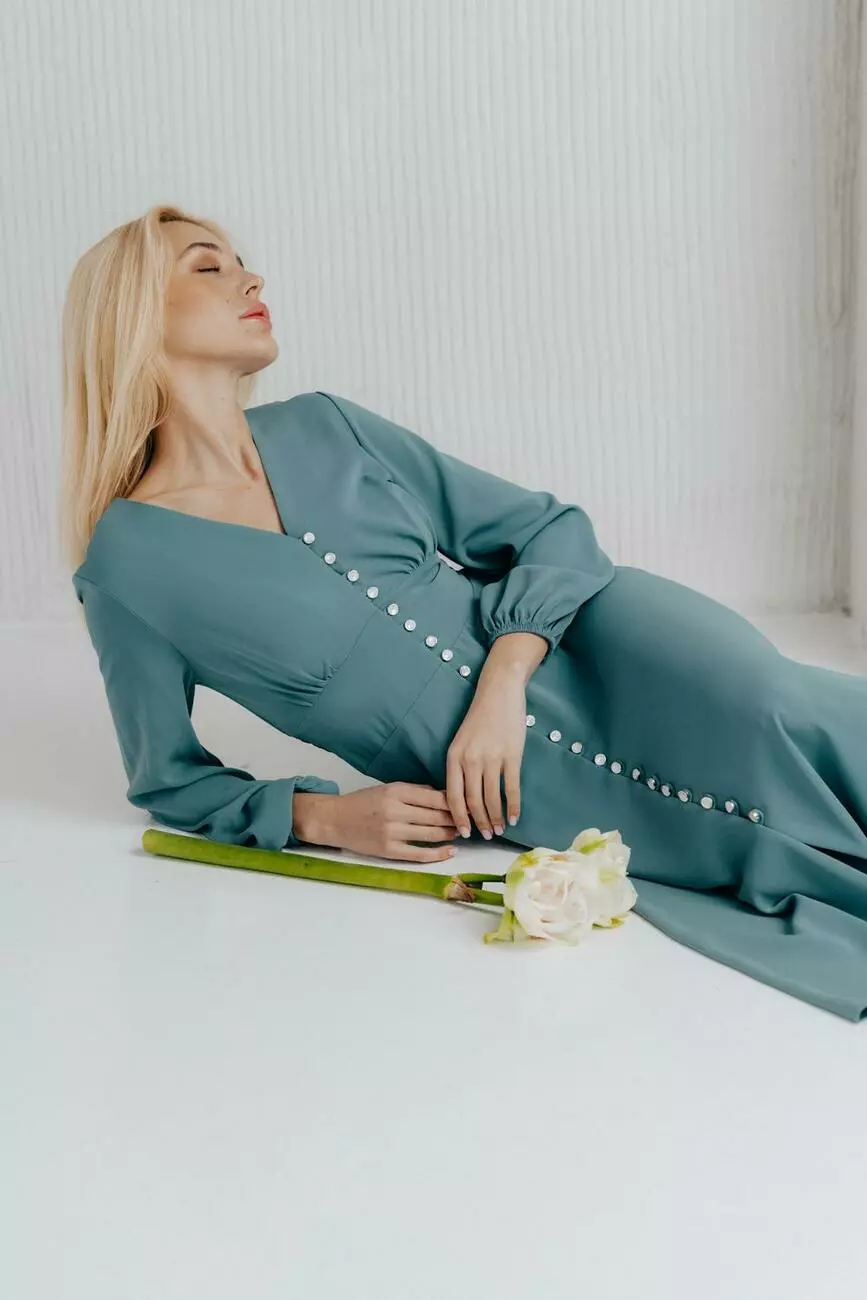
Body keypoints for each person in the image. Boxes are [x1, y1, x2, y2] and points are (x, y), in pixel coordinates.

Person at [60, 204, 867, 1022]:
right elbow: (168, 779)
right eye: (209, 266)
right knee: (725, 847)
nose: (251, 278)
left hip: (596, 639)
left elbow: (544, 527)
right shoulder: (127, 570)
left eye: (241, 261)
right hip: (523, 792)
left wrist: (502, 681)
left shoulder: (326, 425)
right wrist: (323, 817)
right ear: (133, 314)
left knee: (773, 709)